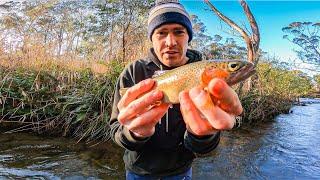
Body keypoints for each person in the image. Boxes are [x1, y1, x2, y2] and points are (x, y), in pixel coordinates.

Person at [109, 0, 243, 179]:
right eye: (161, 33)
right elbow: (116, 130)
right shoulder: (133, 72)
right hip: (138, 171)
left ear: (189, 36)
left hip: (181, 172)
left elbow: (203, 147)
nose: (170, 42)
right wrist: (134, 133)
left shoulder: (208, 79)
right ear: (152, 38)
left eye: (179, 32)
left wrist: (203, 135)